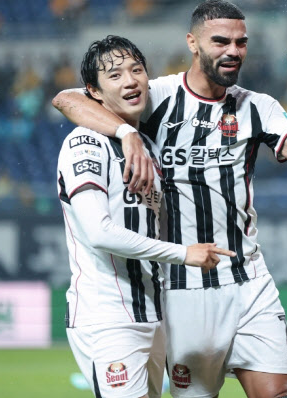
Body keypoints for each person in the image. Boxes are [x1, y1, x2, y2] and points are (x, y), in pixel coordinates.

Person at [53, 0, 287, 398]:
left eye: (241, 42)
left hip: (249, 279)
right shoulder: (154, 97)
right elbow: (67, 99)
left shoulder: (258, 107)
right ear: (193, 43)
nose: (233, 50)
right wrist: (126, 134)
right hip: (182, 287)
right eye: (221, 41)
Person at [57, 35, 234, 398]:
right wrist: (185, 254)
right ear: (93, 91)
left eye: (136, 70)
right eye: (115, 75)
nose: (130, 81)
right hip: (107, 314)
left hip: (153, 314)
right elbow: (99, 233)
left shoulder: (149, 148)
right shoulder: (84, 143)